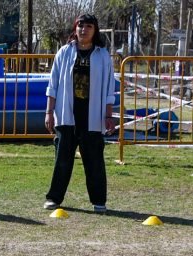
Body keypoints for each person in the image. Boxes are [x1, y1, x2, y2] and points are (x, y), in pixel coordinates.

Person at [43, 13, 116, 213]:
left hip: (93, 116)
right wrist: (49, 112)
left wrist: (109, 116)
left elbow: (110, 89)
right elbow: (53, 85)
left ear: (95, 30)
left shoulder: (102, 56)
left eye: (89, 26)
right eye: (80, 26)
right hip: (67, 115)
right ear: (75, 28)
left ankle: (99, 201)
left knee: (94, 161)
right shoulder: (64, 52)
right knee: (62, 159)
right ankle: (54, 198)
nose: (84, 30)